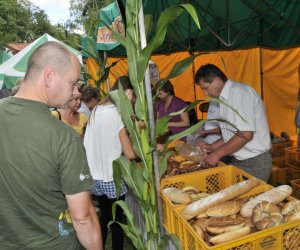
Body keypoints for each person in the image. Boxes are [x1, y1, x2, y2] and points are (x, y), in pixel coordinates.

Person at [0, 41, 102, 249]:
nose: (75, 92)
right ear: (49, 77)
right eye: (72, 83)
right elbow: (82, 218)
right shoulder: (62, 136)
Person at [84, 75, 136, 250]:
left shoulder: (97, 110)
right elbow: (129, 153)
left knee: (105, 217)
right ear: (127, 92)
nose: (133, 100)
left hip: (96, 176)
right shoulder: (116, 114)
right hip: (112, 176)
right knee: (117, 223)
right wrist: (151, 148)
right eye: (133, 95)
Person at [195, 64, 272, 182]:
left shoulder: (239, 93)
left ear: (216, 80)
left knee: (251, 199)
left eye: (205, 88)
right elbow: (232, 134)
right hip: (239, 159)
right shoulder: (225, 98)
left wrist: (216, 155)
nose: (205, 93)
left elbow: (245, 134)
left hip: (254, 162)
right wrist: (212, 147)